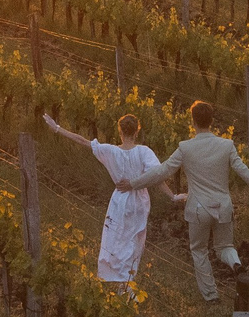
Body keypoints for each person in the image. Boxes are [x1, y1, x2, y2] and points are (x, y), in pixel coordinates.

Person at [116, 100, 249, 302]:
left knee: (199, 250)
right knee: (225, 247)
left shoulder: (185, 148)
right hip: (223, 207)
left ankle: (211, 295)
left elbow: (161, 171)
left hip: (199, 210)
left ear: (193, 122)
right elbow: (245, 173)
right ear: (212, 120)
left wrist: (133, 183)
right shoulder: (227, 145)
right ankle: (235, 264)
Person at [41, 110, 179, 284]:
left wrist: (58, 128)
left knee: (116, 237)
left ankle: (114, 275)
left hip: (120, 199)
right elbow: (157, 176)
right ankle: (128, 277)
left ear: (120, 132)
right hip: (139, 201)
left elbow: (81, 140)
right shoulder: (144, 152)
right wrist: (172, 196)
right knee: (134, 239)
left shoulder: (110, 151)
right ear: (137, 132)